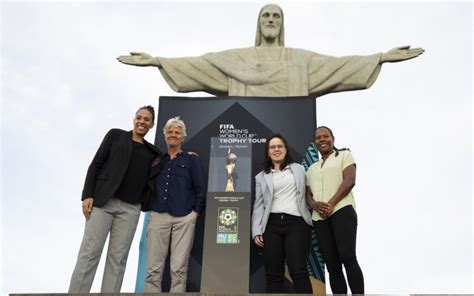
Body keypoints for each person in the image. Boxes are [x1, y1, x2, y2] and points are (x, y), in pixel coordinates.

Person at [117, 4, 424, 97]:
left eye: (277, 16)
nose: (271, 20)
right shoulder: (239, 58)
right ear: (258, 23)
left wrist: (380, 57)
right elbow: (204, 65)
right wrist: (158, 61)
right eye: (266, 15)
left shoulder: (299, 58)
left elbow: (336, 67)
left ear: (283, 24)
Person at [68, 106, 161, 293]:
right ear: (134, 119)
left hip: (130, 210)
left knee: (118, 259)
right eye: (139, 117)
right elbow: (96, 164)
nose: (142, 121)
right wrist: (88, 194)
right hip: (103, 203)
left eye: (147, 119)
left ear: (152, 125)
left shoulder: (153, 153)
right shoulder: (115, 136)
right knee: (89, 252)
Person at [144, 116, 206, 293]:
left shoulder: (192, 159)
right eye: (170, 132)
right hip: (158, 215)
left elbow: (200, 188)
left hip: (185, 217)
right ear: (165, 136)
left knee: (178, 268)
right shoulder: (157, 160)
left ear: (183, 137)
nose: (173, 135)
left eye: (177, 132)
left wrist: (195, 213)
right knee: (153, 269)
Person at [252, 134, 313, 293]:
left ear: (286, 150)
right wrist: (256, 230)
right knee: (273, 274)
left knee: (298, 270)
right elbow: (259, 206)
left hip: (297, 224)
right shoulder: (261, 177)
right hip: (271, 225)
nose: (276, 149)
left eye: (280, 146)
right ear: (268, 151)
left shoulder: (298, 169)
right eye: (272, 147)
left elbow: (309, 191)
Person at [305, 126, 363, 294]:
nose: (322, 139)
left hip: (342, 211)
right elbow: (307, 196)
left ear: (333, 139)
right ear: (315, 143)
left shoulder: (344, 155)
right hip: (320, 219)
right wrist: (315, 205)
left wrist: (330, 203)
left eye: (326, 136)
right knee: (332, 266)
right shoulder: (312, 168)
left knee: (348, 258)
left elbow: (350, 180)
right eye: (318, 138)